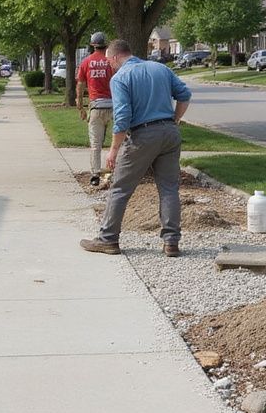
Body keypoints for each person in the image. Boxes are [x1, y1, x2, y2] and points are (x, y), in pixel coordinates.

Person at [80, 38, 191, 257]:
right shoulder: (160, 68)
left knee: (120, 187)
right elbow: (185, 96)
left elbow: (122, 117)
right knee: (169, 188)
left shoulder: (121, 77)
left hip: (143, 135)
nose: (110, 67)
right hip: (169, 133)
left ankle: (108, 239)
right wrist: (174, 121)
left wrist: (113, 150)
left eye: (109, 62)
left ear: (113, 57)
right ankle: (171, 242)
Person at [76, 30, 114, 185]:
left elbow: (80, 85)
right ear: (106, 44)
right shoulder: (112, 61)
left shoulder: (86, 62)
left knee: (95, 144)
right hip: (114, 107)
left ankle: (95, 175)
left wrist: (80, 105)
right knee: (120, 141)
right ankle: (119, 171)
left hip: (96, 108)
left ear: (92, 45)